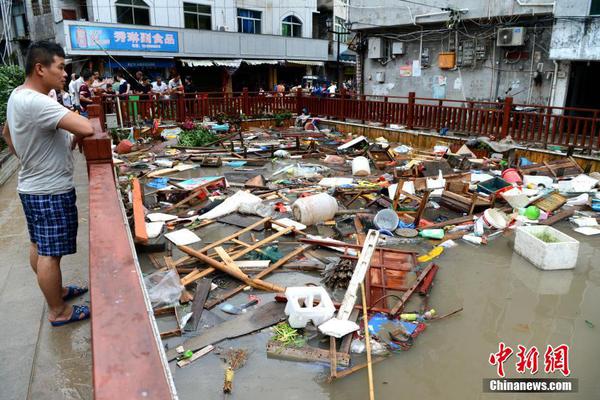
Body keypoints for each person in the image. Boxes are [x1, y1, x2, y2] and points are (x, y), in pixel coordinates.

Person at [2, 40, 94, 327]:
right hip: (50, 191)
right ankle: (58, 311)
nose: (65, 74)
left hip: (31, 186)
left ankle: (58, 293)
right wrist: (77, 134)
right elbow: (86, 127)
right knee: (49, 255)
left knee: (39, 246)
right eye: (60, 67)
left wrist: (28, 158)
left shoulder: (18, 95)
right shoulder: (38, 101)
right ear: (40, 68)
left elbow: (7, 134)